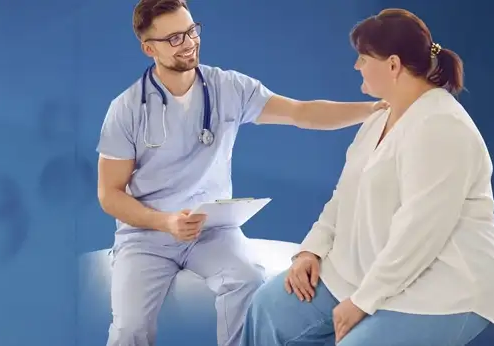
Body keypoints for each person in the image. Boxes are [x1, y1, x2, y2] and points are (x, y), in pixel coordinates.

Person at [96, 1, 387, 345]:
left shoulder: (228, 87)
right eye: (174, 38)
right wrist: (165, 222)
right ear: (149, 48)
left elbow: (300, 112)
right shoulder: (127, 109)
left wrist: (374, 109)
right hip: (147, 238)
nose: (189, 43)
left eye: (191, 31)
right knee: (130, 328)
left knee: (247, 279)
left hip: (212, 231)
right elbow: (109, 194)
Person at [239, 8, 494, 346]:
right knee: (268, 306)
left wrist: (363, 301)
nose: (356, 66)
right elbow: (343, 197)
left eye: (363, 58)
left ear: (393, 65)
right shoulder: (378, 119)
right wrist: (312, 251)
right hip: (364, 273)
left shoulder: (442, 127)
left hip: (444, 290)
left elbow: (420, 232)